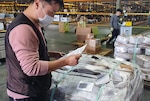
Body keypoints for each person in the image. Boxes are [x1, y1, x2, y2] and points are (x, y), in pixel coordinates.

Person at [5, 0, 81, 101]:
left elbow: (30, 50)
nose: (52, 17)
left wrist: (51, 54)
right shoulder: (23, 29)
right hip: (26, 94)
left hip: (34, 89)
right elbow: (32, 68)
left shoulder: (34, 23)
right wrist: (66, 62)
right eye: (51, 12)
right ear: (37, 4)